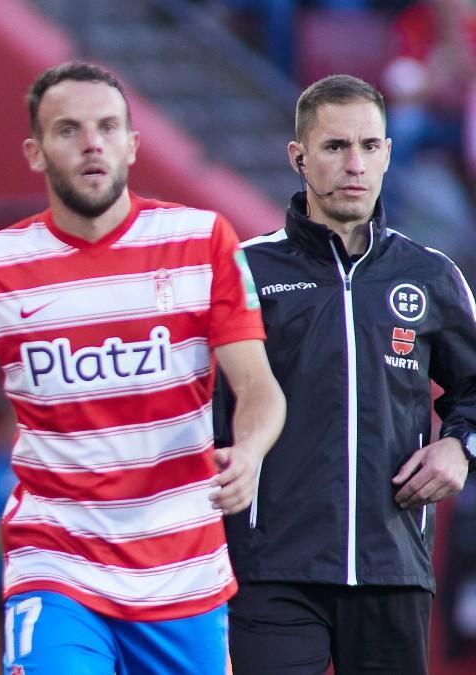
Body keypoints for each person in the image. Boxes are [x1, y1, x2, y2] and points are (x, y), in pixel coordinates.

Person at [0, 62, 287, 675]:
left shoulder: (201, 240)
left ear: (132, 144)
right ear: (35, 152)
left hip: (182, 570)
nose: (91, 142)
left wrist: (250, 452)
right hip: (55, 565)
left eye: (106, 127)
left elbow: (258, 390)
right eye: (68, 130)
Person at [219, 74, 476, 675]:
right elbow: (203, 411)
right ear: (299, 157)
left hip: (393, 565)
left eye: (369, 146)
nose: (353, 163)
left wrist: (459, 450)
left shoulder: (431, 275)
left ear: (388, 153)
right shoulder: (244, 272)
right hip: (271, 569)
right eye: (335, 147)